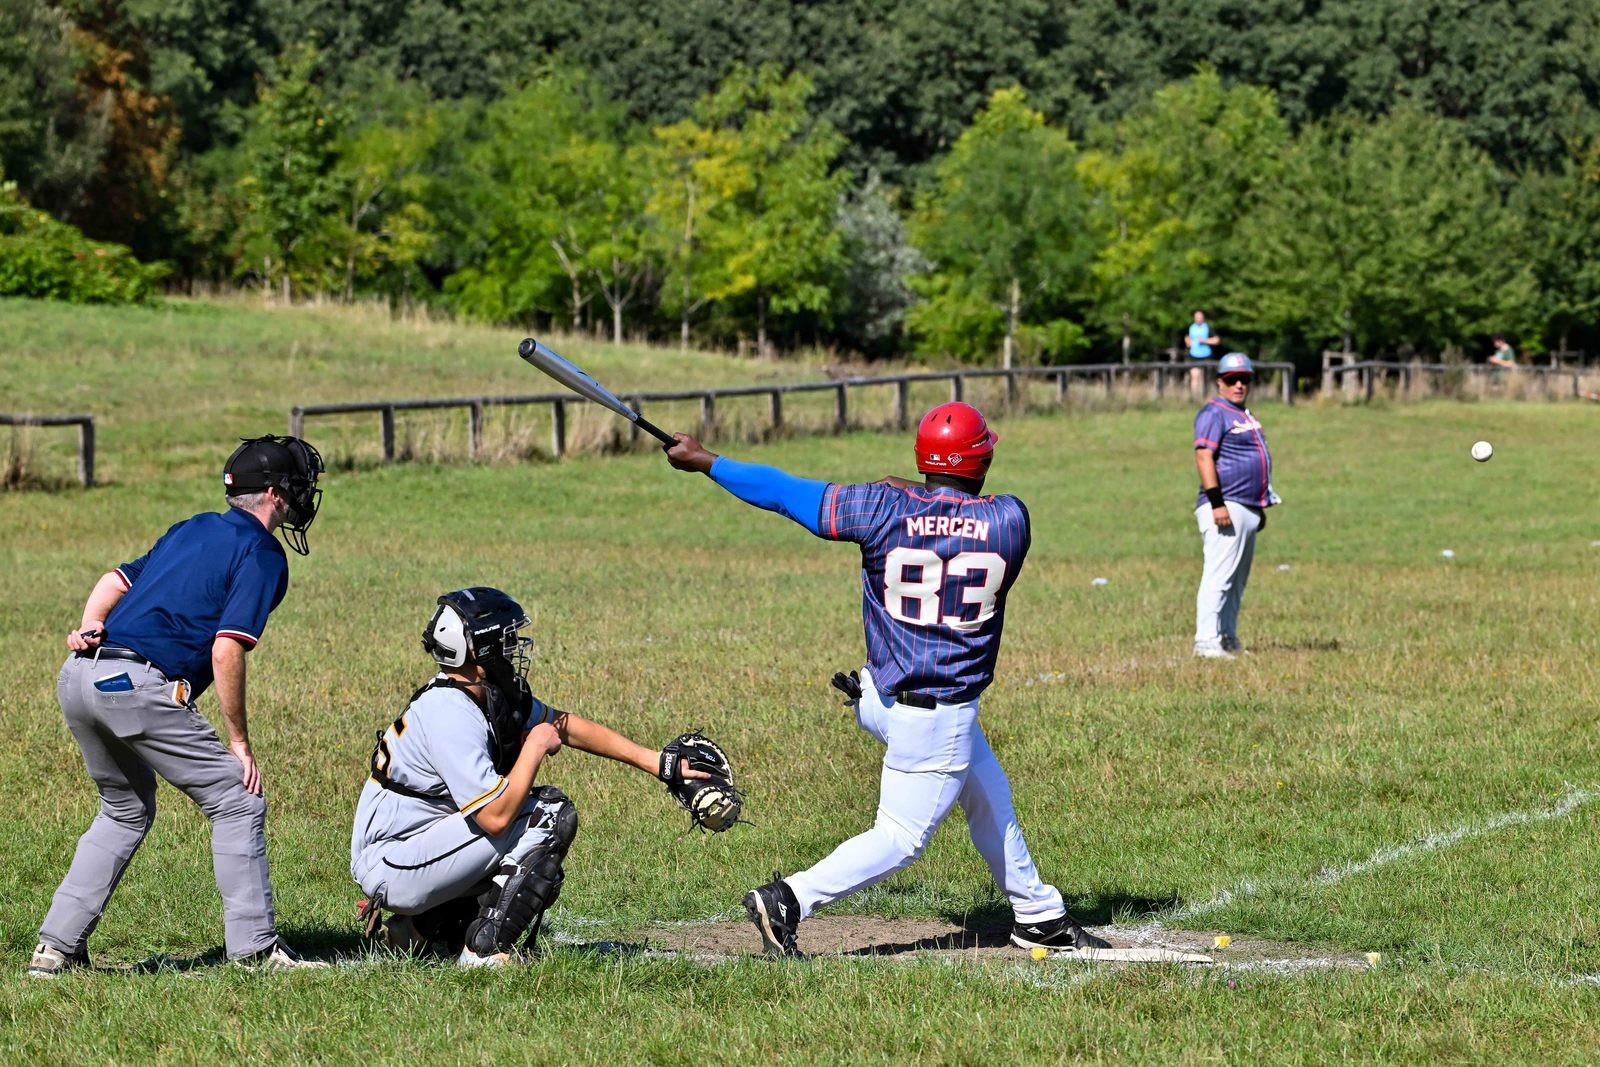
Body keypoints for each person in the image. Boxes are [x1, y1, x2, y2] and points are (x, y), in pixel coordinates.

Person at [664, 402, 1109, 956]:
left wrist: (708, 460)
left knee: (989, 794)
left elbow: (784, 490)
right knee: (900, 838)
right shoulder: (1010, 520)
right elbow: (955, 507)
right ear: (982, 459)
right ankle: (788, 899)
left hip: (884, 695)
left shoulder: (880, 508)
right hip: (939, 713)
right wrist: (919, 491)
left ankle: (1038, 914)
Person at [30, 435, 328, 977]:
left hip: (78, 676)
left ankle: (56, 948)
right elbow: (226, 649)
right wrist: (239, 743)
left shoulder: (192, 526)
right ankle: (256, 952)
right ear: (273, 495)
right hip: (133, 687)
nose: (303, 496)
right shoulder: (263, 554)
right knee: (236, 799)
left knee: (124, 808)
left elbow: (114, 580)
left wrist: (89, 623)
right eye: (298, 486)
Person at [351, 587, 716, 967]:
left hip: (417, 846)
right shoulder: (449, 713)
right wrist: (535, 747)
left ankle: (414, 930)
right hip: (392, 861)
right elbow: (494, 817)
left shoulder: (480, 692)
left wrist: (655, 762)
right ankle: (484, 953)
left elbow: (566, 726)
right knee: (547, 817)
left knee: (534, 869)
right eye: (505, 640)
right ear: (478, 650)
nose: (514, 649)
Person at [1192, 353, 1278, 659]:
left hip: (1245, 506)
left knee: (1237, 578)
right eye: (1232, 379)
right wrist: (1217, 503)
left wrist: (1259, 507)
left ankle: (1227, 637)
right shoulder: (1214, 413)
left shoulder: (1242, 413)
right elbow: (1204, 456)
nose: (1239, 384)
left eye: (1245, 379)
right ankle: (1206, 641)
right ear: (1219, 382)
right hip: (1224, 505)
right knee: (1219, 575)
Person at [1186, 310, 1220, 395]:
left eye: (1200, 317)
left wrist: (1205, 340)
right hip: (1194, 355)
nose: (1198, 319)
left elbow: (1217, 340)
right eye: (1196, 317)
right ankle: (1194, 397)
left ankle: (1206, 394)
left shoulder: (1208, 327)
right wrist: (1188, 342)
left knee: (1207, 378)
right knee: (1194, 376)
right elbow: (1187, 337)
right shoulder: (1191, 327)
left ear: (1203, 318)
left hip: (1206, 355)